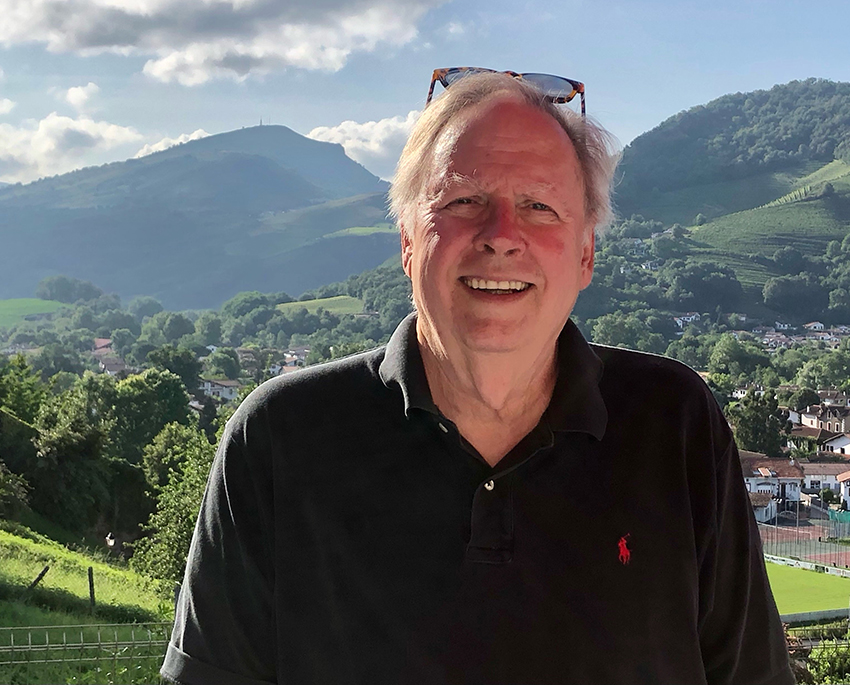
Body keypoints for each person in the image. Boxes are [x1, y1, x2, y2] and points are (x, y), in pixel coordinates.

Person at [161, 70, 794, 685]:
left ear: (585, 254)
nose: (501, 237)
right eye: (464, 201)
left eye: (539, 206)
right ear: (408, 241)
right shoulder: (281, 436)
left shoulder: (673, 422)